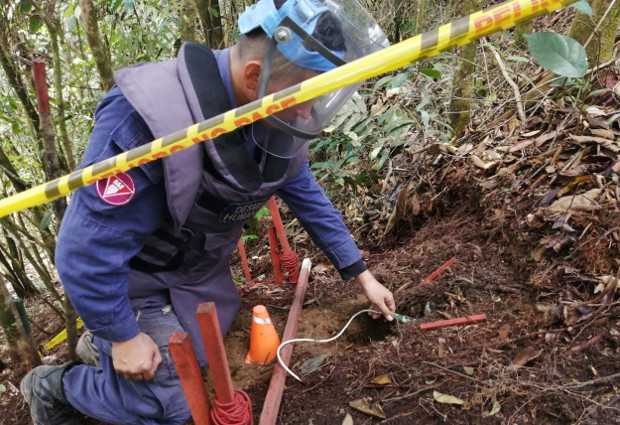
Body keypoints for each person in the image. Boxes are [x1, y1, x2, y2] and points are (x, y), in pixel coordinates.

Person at [20, 0, 396, 423]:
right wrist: (122, 334)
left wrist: (359, 273)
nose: (310, 111)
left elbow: (303, 189)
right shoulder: (144, 121)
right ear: (256, 77)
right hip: (137, 283)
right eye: (307, 94)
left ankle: (101, 347)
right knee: (171, 406)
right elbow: (84, 248)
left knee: (207, 351)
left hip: (197, 277)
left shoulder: (267, 113)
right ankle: (56, 386)